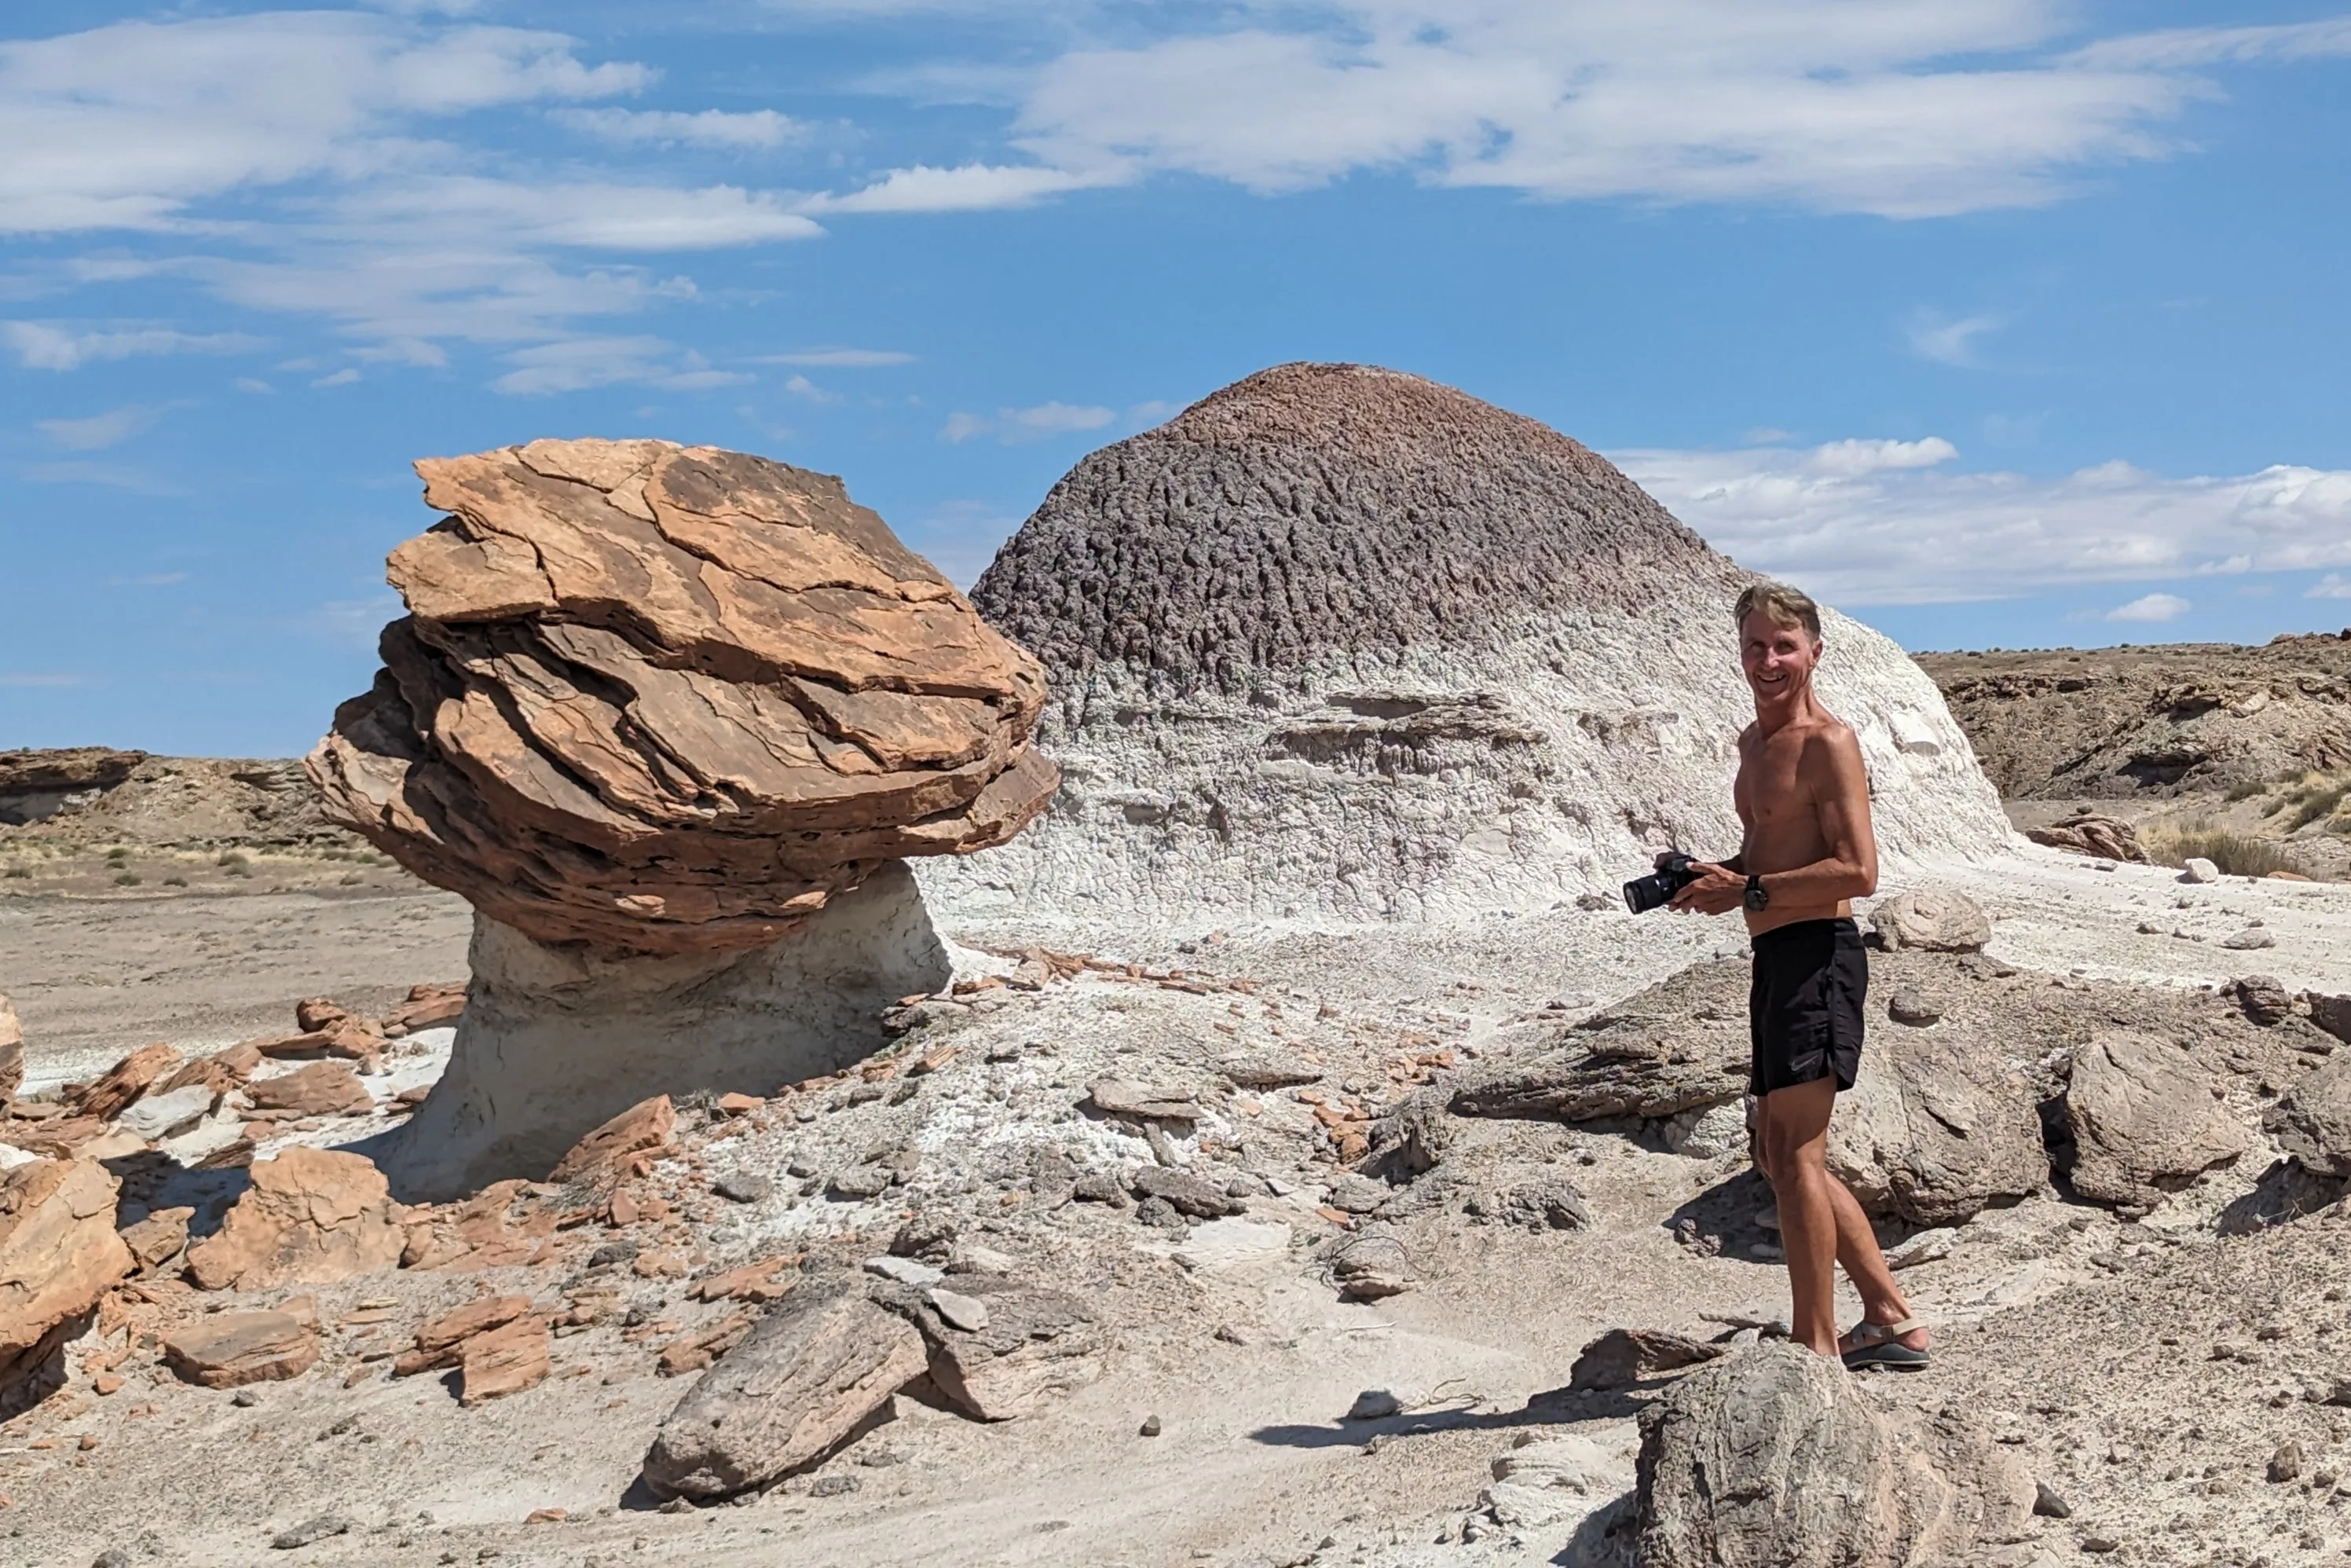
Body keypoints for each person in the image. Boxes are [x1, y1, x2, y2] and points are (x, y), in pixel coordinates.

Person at [1660, 581, 1928, 1371]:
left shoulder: (1827, 741)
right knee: (1778, 1154)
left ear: (1813, 652)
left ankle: (1815, 1348)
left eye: (1783, 645)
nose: (1767, 660)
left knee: (1797, 1155)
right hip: (1772, 957)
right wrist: (1717, 876)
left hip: (1819, 952)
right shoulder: (1751, 744)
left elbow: (1858, 869)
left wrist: (1743, 889)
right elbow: (1772, 855)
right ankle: (1886, 1315)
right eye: (1754, 645)